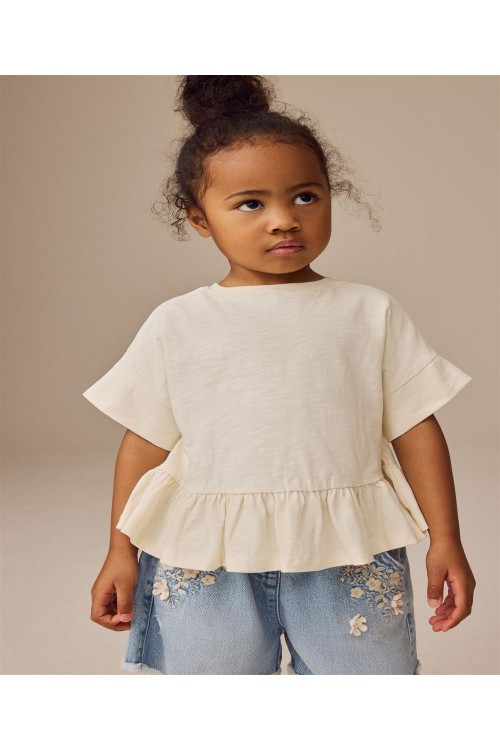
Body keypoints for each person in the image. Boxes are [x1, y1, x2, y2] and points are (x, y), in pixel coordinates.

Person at [83, 75, 476, 675]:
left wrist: (446, 539)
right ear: (199, 219)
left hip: (348, 551)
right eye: (250, 204)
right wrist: (120, 550)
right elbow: (144, 442)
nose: (284, 220)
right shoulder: (178, 322)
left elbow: (416, 429)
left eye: (305, 197)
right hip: (208, 560)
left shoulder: (369, 312)